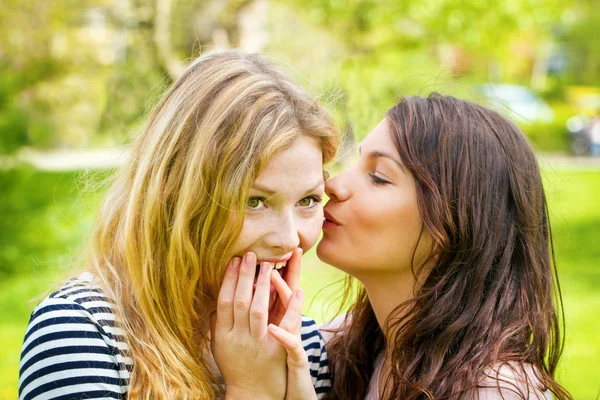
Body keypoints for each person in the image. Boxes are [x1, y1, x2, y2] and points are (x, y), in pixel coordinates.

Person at [18, 50, 339, 400]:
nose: (290, 238)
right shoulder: (81, 331)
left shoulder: (298, 339)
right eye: (254, 201)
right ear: (179, 197)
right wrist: (252, 390)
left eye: (308, 201)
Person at [260, 94, 571, 399]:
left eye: (379, 177)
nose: (333, 185)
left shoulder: (491, 391)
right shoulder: (342, 348)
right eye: (355, 163)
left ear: (454, 223)